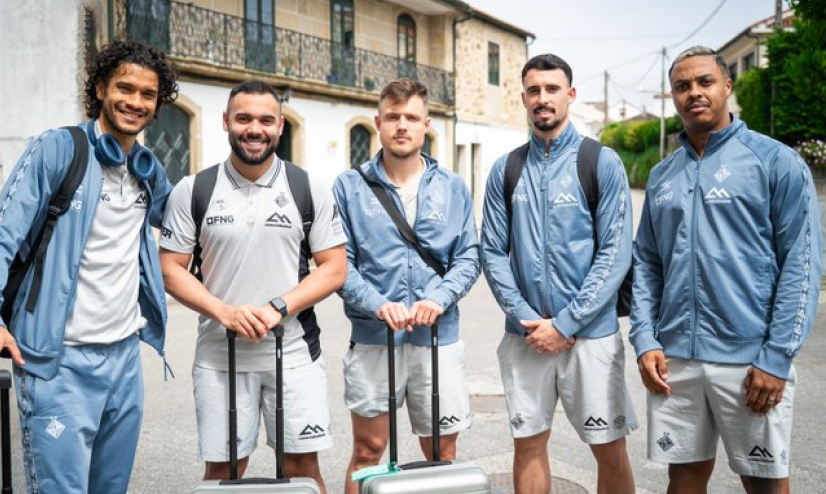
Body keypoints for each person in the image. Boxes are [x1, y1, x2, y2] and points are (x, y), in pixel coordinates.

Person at [0, 39, 179, 493]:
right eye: (124, 87)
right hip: (59, 363)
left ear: (157, 105)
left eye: (147, 94)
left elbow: (186, 224)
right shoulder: (58, 149)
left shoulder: (146, 170)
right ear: (99, 87)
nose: (134, 101)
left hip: (124, 359)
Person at [630, 46, 822, 494]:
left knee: (764, 481)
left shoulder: (775, 162)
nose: (693, 93)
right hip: (675, 358)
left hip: (750, 358)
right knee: (683, 480)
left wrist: (776, 356)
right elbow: (647, 263)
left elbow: (803, 261)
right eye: (682, 86)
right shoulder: (662, 176)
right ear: (672, 96)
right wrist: (644, 338)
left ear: (727, 86)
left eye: (704, 82)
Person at [158, 80, 347, 492]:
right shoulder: (194, 189)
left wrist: (278, 306)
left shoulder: (307, 186)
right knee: (224, 474)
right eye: (243, 118)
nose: (254, 129)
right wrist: (225, 312)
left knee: (303, 470)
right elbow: (170, 268)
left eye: (265, 120)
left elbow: (334, 267)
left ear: (280, 126)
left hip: (294, 353)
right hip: (219, 356)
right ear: (226, 122)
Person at [480, 54, 637, 494]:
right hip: (525, 335)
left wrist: (566, 323)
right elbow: (491, 251)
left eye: (552, 89)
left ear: (570, 95)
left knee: (609, 448)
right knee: (528, 445)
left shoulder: (600, 162)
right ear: (523, 98)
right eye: (534, 90)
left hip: (591, 336)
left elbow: (615, 252)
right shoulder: (506, 169)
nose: (542, 98)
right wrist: (530, 320)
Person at [333, 78, 480, 494]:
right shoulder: (348, 186)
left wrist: (439, 297)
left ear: (426, 125)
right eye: (393, 117)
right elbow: (339, 264)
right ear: (377, 123)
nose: (402, 125)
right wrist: (378, 304)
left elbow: (469, 256)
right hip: (374, 337)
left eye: (411, 118)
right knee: (368, 449)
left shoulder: (452, 186)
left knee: (441, 451)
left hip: (438, 338)